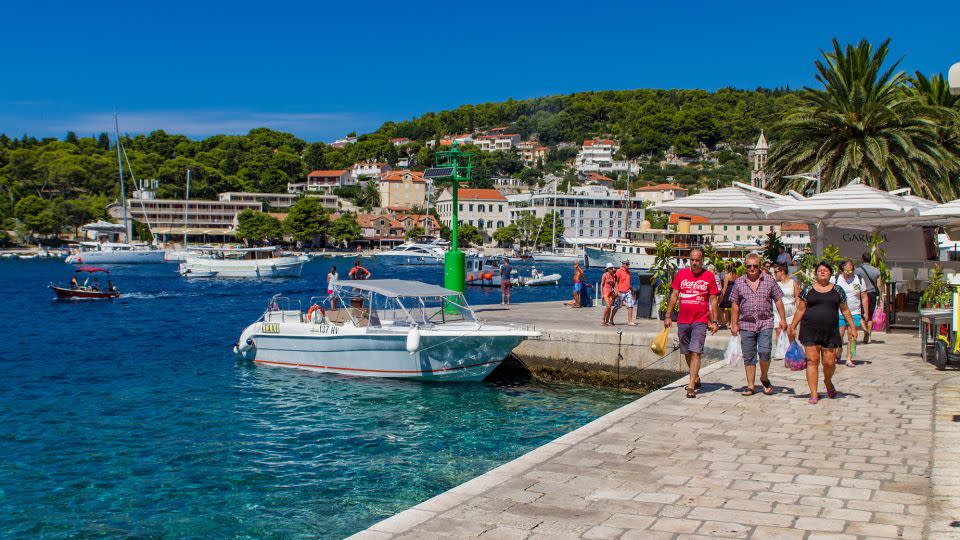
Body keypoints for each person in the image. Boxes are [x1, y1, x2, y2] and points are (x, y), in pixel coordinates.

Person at [789, 261, 858, 404]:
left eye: (825, 270)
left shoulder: (838, 290)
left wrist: (852, 326)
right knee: (812, 361)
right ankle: (813, 393)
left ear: (830, 273)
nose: (822, 272)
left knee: (829, 362)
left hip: (830, 331)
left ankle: (827, 381)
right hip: (810, 330)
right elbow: (801, 309)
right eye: (820, 270)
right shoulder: (808, 290)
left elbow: (844, 309)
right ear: (816, 273)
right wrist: (793, 326)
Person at [729, 252, 788, 396]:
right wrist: (734, 323)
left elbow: (778, 300)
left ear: (760, 266)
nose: (752, 268)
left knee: (765, 352)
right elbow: (735, 304)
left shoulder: (769, 280)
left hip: (765, 322)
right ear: (745, 267)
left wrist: (783, 319)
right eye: (749, 266)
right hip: (746, 324)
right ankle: (750, 386)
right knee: (749, 356)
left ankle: (764, 377)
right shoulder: (739, 282)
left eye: (755, 266)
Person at [664, 247, 720, 398]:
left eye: (697, 260)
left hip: (700, 320)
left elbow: (713, 300)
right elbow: (674, 295)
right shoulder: (681, 274)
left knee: (696, 351)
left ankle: (690, 385)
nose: (695, 263)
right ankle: (695, 376)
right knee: (687, 352)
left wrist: (714, 321)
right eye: (692, 260)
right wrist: (668, 315)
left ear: (702, 261)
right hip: (683, 320)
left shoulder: (709, 276)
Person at [831, 260, 868, 367]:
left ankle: (849, 358)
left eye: (850, 270)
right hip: (839, 312)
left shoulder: (859, 280)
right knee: (839, 335)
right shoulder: (836, 279)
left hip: (855, 312)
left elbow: (864, 296)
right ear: (842, 269)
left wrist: (865, 312)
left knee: (852, 336)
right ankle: (838, 352)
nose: (848, 273)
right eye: (846, 271)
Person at [855, 251, 883, 343]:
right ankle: (869, 336)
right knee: (870, 315)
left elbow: (856, 283)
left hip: (862, 294)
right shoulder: (876, 270)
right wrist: (881, 298)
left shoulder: (858, 270)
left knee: (861, 314)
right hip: (872, 294)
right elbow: (879, 285)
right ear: (870, 259)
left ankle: (865, 331)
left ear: (862, 259)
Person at [772, 263, 800, 351]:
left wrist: (799, 311)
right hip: (778, 311)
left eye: (776, 272)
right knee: (778, 331)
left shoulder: (793, 283)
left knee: (790, 333)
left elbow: (797, 298)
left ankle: (791, 351)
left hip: (791, 310)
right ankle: (780, 351)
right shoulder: (775, 284)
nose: (774, 274)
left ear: (782, 271)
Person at [611, 261, 637, 326]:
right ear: (623, 264)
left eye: (628, 264)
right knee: (618, 306)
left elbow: (627, 282)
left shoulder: (628, 272)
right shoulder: (619, 271)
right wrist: (617, 291)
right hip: (620, 292)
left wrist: (631, 289)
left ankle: (630, 321)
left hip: (628, 291)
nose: (628, 265)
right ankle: (611, 319)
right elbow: (616, 282)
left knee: (630, 306)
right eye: (627, 264)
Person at [719, 262, 737, 327]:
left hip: (728, 293)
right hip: (734, 292)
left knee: (722, 308)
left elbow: (725, 287)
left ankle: (725, 322)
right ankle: (731, 323)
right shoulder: (736, 275)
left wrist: (722, 295)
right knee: (731, 308)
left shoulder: (727, 276)